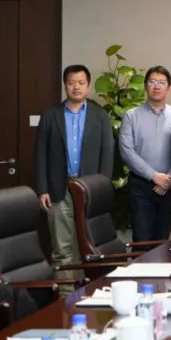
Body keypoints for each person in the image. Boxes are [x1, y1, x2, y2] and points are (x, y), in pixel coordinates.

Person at [34, 64, 114, 274]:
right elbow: (41, 154)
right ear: (65, 86)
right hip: (58, 190)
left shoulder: (100, 116)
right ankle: (65, 292)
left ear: (87, 86)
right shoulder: (50, 115)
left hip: (89, 191)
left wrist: (101, 189)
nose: (76, 87)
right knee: (62, 249)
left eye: (81, 83)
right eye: (71, 83)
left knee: (90, 247)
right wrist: (42, 189)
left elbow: (107, 154)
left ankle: (89, 290)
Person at [119, 65, 171, 241]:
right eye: (152, 82)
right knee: (142, 240)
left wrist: (169, 178)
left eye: (162, 82)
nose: (157, 86)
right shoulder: (131, 116)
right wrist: (154, 176)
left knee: (162, 241)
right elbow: (127, 151)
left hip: (169, 187)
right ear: (145, 86)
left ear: (169, 87)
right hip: (141, 187)